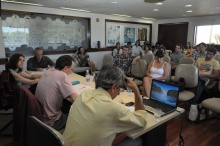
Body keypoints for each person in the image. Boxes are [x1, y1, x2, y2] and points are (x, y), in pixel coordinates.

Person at [63, 65, 147, 146]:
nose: (119, 93)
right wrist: (136, 90)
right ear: (114, 87)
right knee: (137, 140)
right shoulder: (114, 108)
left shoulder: (83, 95)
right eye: (120, 88)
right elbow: (141, 120)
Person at [35, 55, 78, 130]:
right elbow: (75, 99)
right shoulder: (63, 75)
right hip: (52, 121)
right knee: (79, 115)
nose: (71, 72)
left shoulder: (48, 71)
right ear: (65, 68)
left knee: (67, 104)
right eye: (71, 70)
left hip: (40, 116)